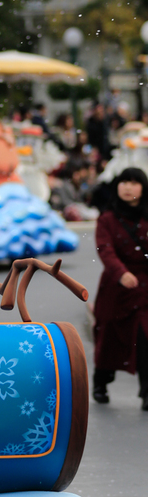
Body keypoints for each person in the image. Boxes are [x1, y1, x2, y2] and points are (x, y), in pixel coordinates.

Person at [92, 167, 148, 407]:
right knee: (109, 338)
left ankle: (147, 391)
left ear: (143, 189)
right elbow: (105, 249)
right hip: (116, 289)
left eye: (135, 183)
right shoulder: (107, 219)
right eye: (124, 181)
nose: (128, 187)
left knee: (145, 337)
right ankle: (101, 381)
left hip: (145, 288)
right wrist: (121, 272)